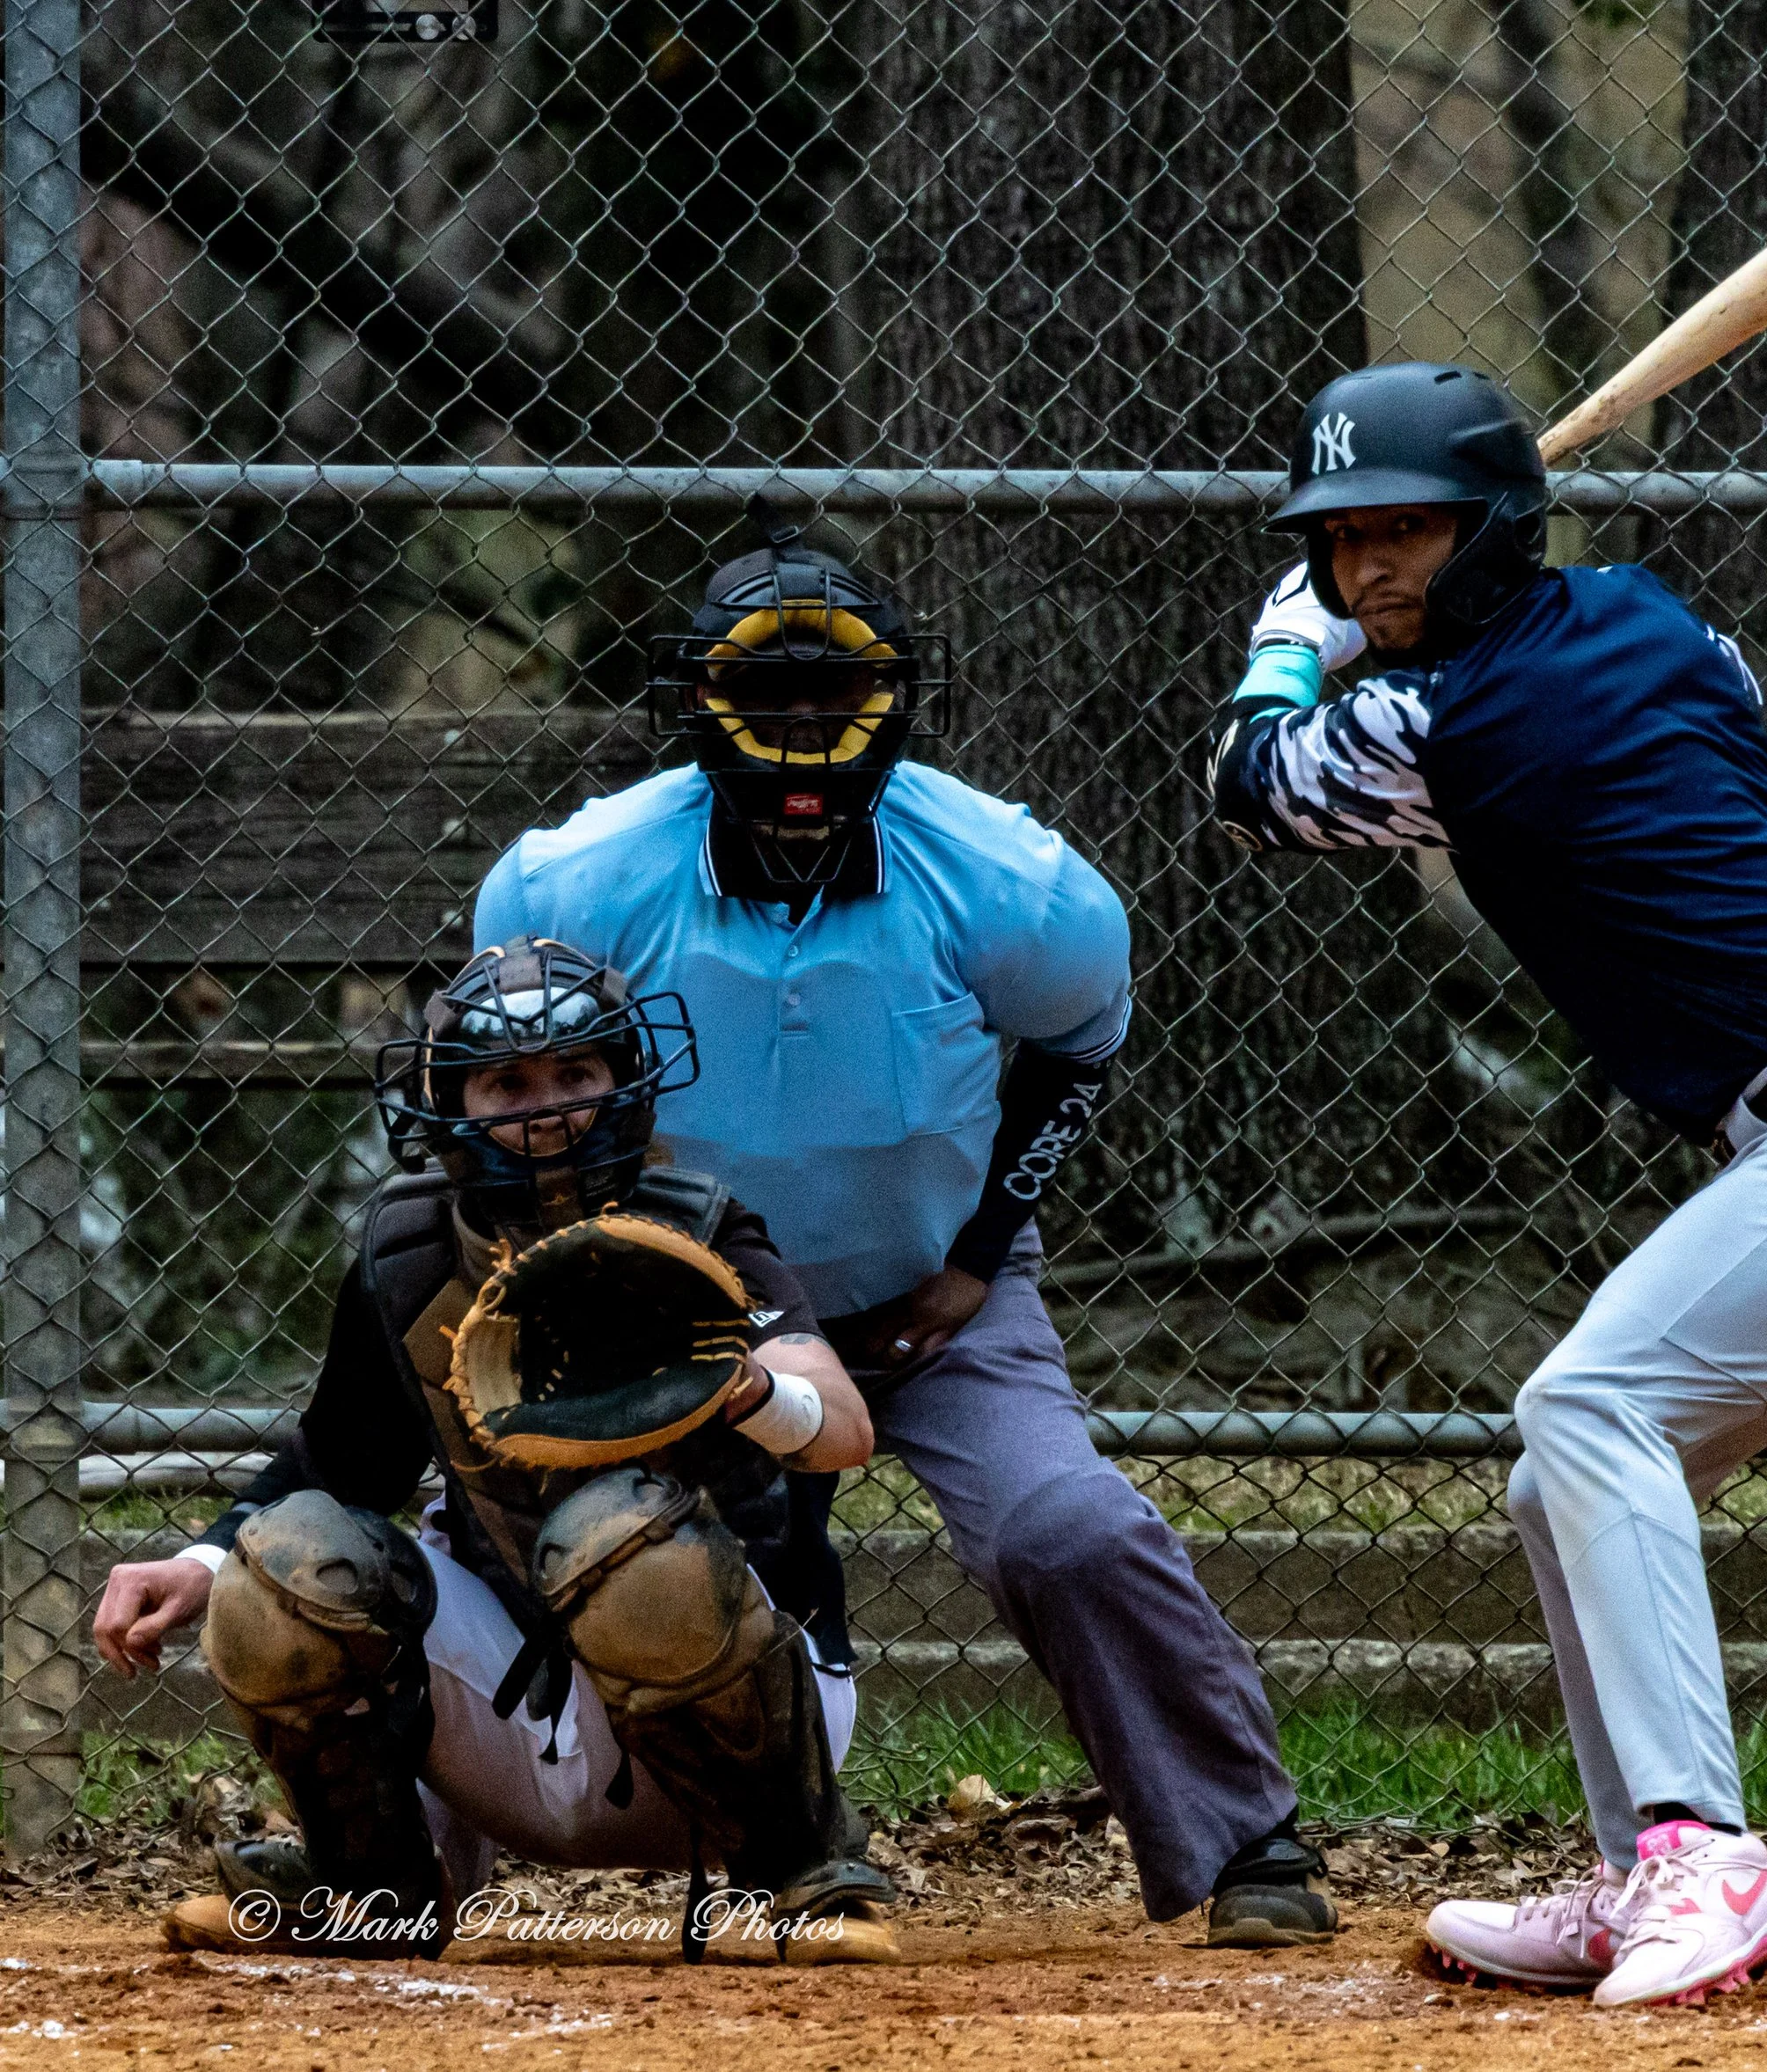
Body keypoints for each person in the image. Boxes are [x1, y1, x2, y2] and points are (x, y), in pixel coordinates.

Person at [1206, 362, 1767, 2007]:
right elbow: (1732, 681)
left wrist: (1293, 637)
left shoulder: (1470, 715)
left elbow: (1256, 787)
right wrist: (1394, 608)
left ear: (1495, 523)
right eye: (1343, 540)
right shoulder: (1646, 614)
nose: (1371, 566)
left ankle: (1704, 1854)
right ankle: (1636, 1871)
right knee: (1556, 1480)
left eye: (1404, 535)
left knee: (1585, 1409)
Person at [466, 498, 1334, 1947]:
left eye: (835, 689)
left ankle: (1248, 1848)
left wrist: (977, 1265)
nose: (803, 721)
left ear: (895, 698)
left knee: (1069, 1527)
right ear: (698, 698)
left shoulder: (1006, 876)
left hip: (925, 1290)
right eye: (765, 689)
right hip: (671, 1301)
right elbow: (515, 1090)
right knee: (504, 1517)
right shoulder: (580, 881)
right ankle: (385, 1856)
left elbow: (1079, 1046)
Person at [93, 939, 898, 1963]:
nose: (545, 1106)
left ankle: (793, 1877)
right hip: (517, 1712)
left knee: (619, 1541)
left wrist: (746, 1387)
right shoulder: (409, 1255)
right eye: (506, 1082)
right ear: (449, 1103)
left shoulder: (699, 1230)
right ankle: (371, 1892)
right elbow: (341, 1466)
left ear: (623, 1084)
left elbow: (843, 1426)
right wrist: (201, 1561)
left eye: (575, 1073)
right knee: (283, 1566)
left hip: (745, 1721)